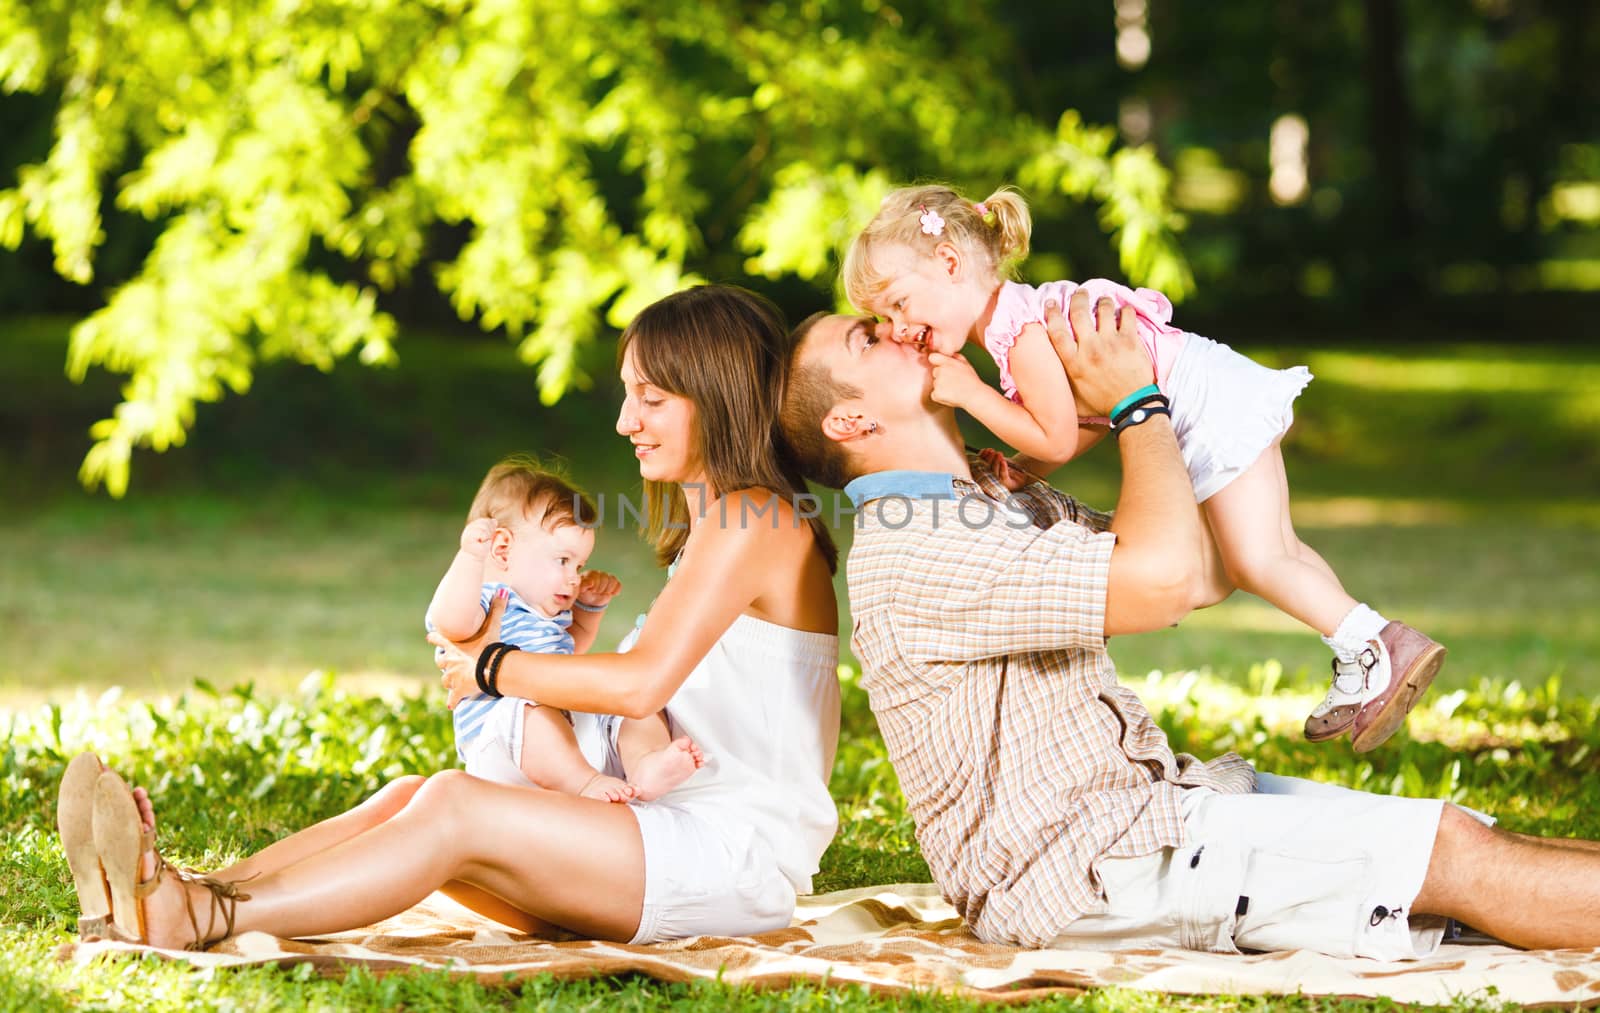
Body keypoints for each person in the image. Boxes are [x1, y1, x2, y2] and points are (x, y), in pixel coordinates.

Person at [777, 289, 1600, 957]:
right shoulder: (921, 546)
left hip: (1146, 819)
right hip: (1088, 874)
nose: (897, 327)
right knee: (1449, 856)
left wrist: (1194, 411)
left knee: (1468, 836)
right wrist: (1138, 406)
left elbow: (1204, 569)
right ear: (849, 423)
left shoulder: (988, 500)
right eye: (867, 338)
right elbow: (1163, 581)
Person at [57, 284, 842, 950]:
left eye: (652, 397)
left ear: (717, 395)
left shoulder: (759, 518)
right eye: (629, 393)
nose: (625, 419)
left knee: (457, 806)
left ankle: (196, 916)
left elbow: (640, 686)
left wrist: (490, 669)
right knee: (418, 792)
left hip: (726, 857)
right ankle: (185, 893)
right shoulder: (719, 532)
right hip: (665, 841)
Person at [843, 183, 1441, 752]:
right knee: (1277, 548)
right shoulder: (1015, 319)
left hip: (1207, 413)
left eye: (899, 304)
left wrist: (975, 397)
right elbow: (1088, 421)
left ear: (949, 263)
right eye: (885, 321)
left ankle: (1375, 649)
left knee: (1258, 559)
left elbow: (1056, 431)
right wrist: (1024, 467)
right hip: (1215, 392)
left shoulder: (1012, 334)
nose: (900, 330)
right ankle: (1365, 644)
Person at [426, 457, 704, 802]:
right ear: (501, 548)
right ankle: (585, 785)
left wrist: (587, 611)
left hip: (561, 745)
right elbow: (450, 624)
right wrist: (469, 558)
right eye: (562, 561)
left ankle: (645, 764)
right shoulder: (486, 597)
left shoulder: (547, 613)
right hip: (502, 745)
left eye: (580, 564)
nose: (574, 577)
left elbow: (567, 655)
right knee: (527, 708)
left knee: (626, 705)